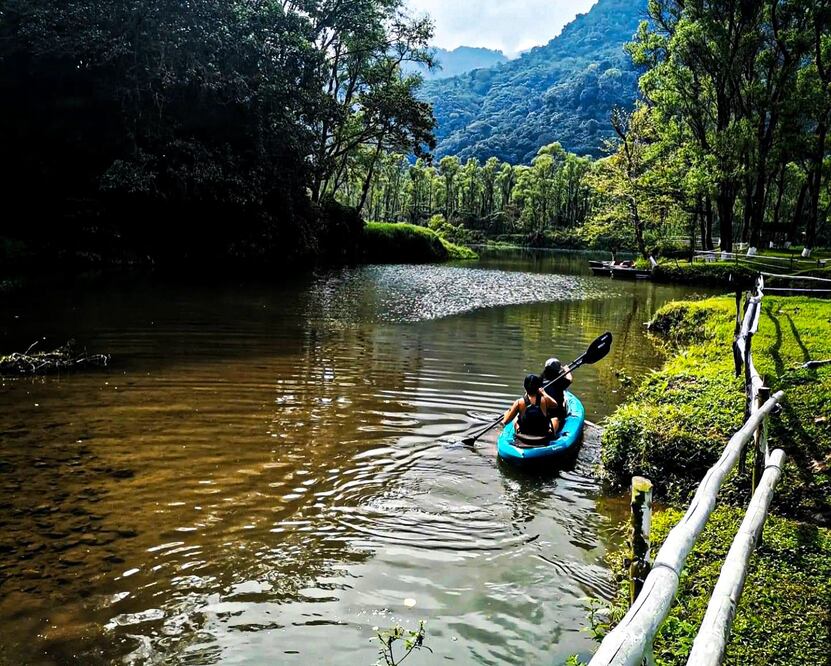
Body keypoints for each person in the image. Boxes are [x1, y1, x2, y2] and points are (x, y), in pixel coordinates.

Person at [541, 357, 573, 433]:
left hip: (542, 410)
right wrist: (567, 370)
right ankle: (552, 432)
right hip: (556, 412)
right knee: (556, 416)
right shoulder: (560, 381)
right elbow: (570, 379)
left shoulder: (539, 380)